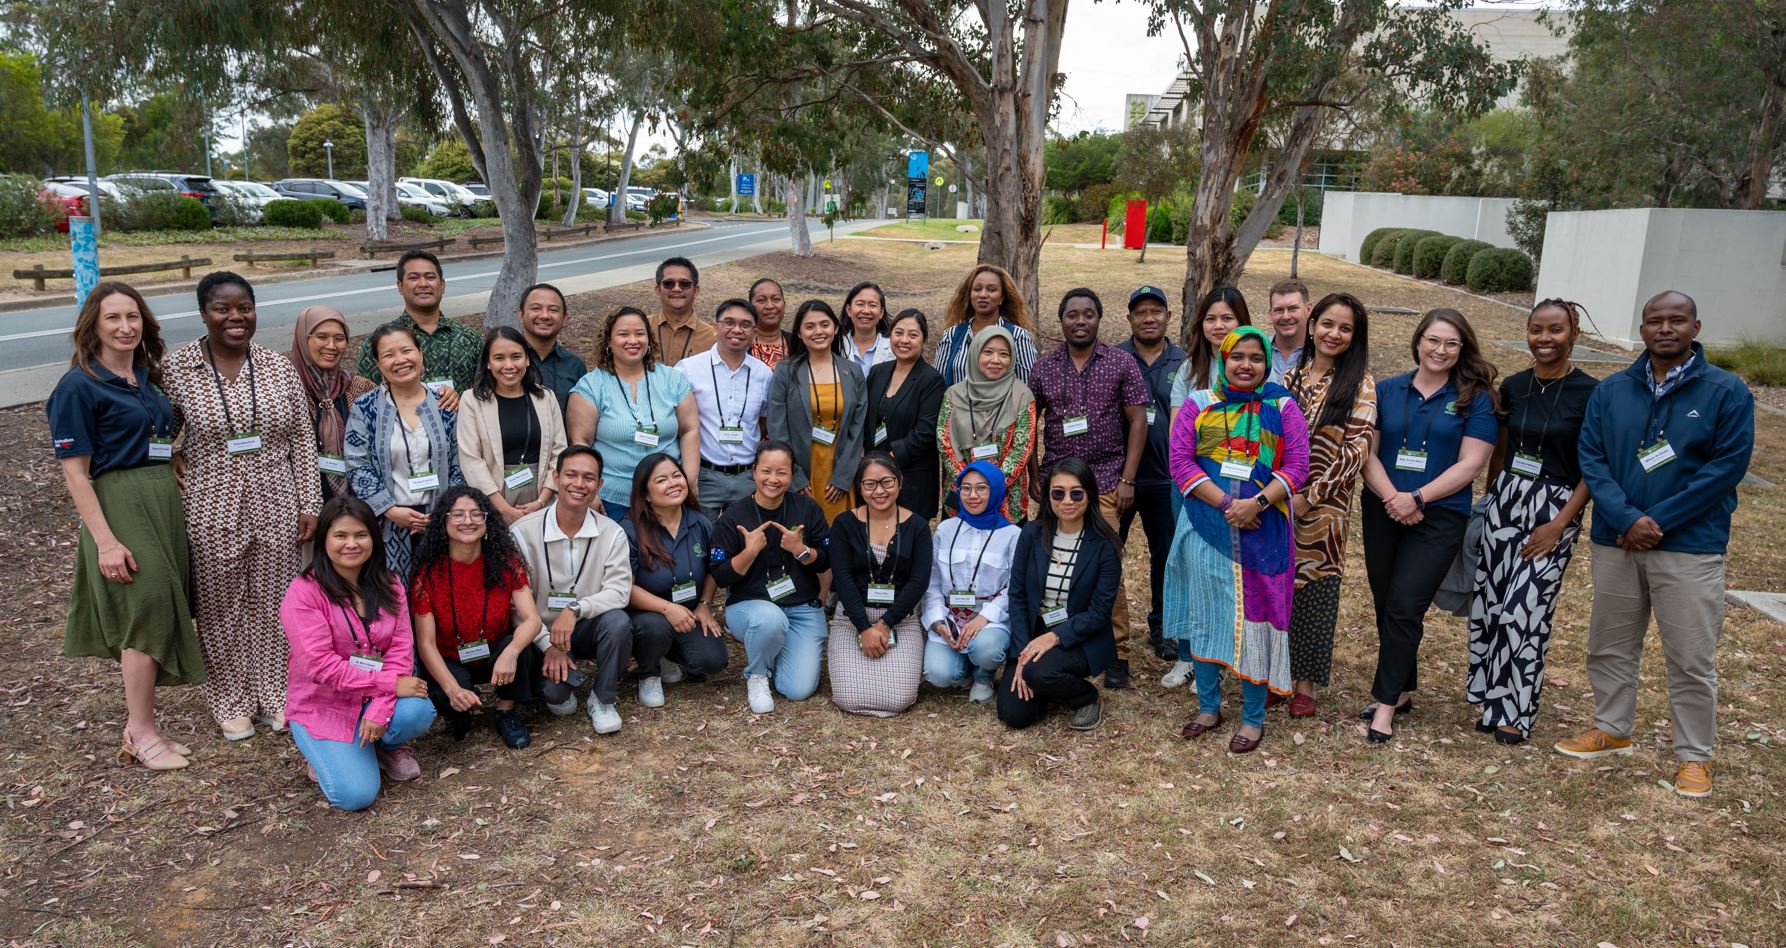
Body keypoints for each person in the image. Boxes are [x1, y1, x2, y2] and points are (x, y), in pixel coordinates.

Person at [1558, 290, 1753, 799]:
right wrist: (1625, 518)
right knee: (1609, 644)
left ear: (1695, 326)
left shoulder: (1726, 391)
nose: (1665, 328)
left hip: (1688, 545)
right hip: (1616, 541)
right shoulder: (1613, 390)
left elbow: (1724, 470)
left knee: (1690, 655)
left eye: (1677, 320)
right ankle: (1612, 729)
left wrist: (1655, 521)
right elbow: (1592, 458)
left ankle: (1693, 757)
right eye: (1655, 321)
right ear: (1642, 329)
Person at [49, 282, 205, 770]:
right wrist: (106, 541)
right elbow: (75, 474)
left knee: (165, 599)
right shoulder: (78, 386)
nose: (125, 327)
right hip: (118, 501)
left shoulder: (144, 376)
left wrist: (172, 454)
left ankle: (145, 725)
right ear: (93, 324)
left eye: (133, 317)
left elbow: (150, 434)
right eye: (113, 318)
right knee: (148, 604)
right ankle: (139, 732)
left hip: (161, 497)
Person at [164, 271, 321, 742]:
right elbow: (157, 425)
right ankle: (231, 698)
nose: (235, 318)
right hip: (211, 502)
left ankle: (275, 694)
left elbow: (301, 438)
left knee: (276, 602)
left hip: (278, 498)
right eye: (222, 309)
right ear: (203, 314)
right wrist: (170, 452)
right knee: (219, 605)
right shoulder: (179, 369)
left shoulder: (276, 367)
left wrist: (309, 501)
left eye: (244, 308)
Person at [1166, 327, 1310, 753]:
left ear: (1267, 363)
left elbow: (1299, 465)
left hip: (1263, 534)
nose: (1246, 365)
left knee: (1254, 622)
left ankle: (1252, 718)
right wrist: (1229, 504)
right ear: (1223, 360)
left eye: (1256, 358)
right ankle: (1208, 708)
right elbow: (1180, 461)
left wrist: (1258, 504)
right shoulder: (1199, 404)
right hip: (1204, 527)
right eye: (1237, 356)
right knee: (1207, 615)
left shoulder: (1281, 406)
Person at [1359, 309, 1498, 743]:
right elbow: (1367, 453)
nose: (1440, 350)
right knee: (1386, 601)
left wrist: (1418, 498)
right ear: (1418, 341)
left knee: (1405, 605)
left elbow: (1472, 463)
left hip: (1440, 515)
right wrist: (1393, 499)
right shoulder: (1385, 389)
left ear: (1462, 350)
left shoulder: (1475, 398)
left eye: (1451, 343)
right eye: (1433, 340)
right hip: (1383, 506)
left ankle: (1385, 706)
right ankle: (1400, 690)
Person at [1466, 299, 1599, 744]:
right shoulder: (1515, 386)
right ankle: (1490, 698)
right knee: (1493, 604)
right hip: (1506, 502)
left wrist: (1561, 523)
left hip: (1555, 508)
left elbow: (1593, 468)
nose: (1545, 339)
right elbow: (1501, 453)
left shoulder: (1591, 392)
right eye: (1537, 329)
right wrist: (1490, 503)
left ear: (1574, 333)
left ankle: (1515, 712)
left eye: (1556, 330)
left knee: (1527, 610)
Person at [281, 496, 435, 810]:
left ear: (373, 539)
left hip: (372, 700)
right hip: (323, 705)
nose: (351, 544)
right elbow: (320, 666)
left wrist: (380, 706)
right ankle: (328, 753)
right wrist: (389, 686)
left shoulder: (390, 584)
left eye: (360, 535)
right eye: (340, 536)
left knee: (418, 711)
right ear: (324, 539)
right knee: (355, 796)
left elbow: (400, 652)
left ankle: (383, 746)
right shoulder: (304, 593)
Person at [1027, 288, 1148, 688]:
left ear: (1099, 318)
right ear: (1060, 322)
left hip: (1106, 482)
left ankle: (1118, 654)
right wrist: (1032, 475)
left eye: (1089, 314)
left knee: (1104, 570)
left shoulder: (1120, 363)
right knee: (1054, 565)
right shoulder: (1044, 368)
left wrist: (1128, 479)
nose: (1080, 321)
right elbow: (1029, 423)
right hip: (1057, 486)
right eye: (1072, 315)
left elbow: (1138, 422)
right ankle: (1054, 640)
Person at [1279, 293, 1377, 718]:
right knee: (1278, 587)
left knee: (1316, 591)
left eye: (1345, 328)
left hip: (1326, 509)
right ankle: (1276, 674)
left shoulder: (1360, 383)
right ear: (1312, 324)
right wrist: (1279, 493)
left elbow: (1357, 449)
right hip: (1280, 502)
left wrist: (1311, 496)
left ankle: (1306, 685)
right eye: (1327, 324)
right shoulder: (1290, 377)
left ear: (1355, 336)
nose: (1334, 334)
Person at [510, 446, 638, 735]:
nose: (579, 484)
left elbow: (620, 591)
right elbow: (516, 605)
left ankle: (602, 699)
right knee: (555, 695)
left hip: (583, 628)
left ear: (599, 485)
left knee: (618, 622)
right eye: (571, 475)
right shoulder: (522, 532)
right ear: (555, 478)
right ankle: (559, 680)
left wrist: (576, 608)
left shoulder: (612, 532)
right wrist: (548, 645)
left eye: (589, 478)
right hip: (538, 633)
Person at [409, 487, 545, 749]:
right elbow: (425, 643)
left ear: (487, 520)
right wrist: (452, 689)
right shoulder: (427, 573)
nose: (467, 521)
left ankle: (506, 710)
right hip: (450, 656)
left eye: (476, 514)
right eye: (457, 514)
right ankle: (460, 704)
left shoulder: (505, 560)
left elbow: (532, 620)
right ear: (443, 521)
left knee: (520, 647)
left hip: (494, 651)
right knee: (453, 708)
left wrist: (511, 652)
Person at [997, 457, 1122, 731]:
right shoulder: (1031, 534)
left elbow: (1099, 614)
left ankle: (1087, 696)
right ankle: (1045, 683)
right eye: (1058, 493)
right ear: (1048, 496)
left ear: (1089, 495)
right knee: (1014, 715)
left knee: (1037, 672)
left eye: (1076, 493)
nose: (1067, 500)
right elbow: (1017, 597)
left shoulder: (1105, 546)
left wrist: (1053, 638)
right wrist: (1021, 654)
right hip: (1033, 633)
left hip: (1079, 637)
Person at [711, 442, 832, 714]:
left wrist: (801, 551)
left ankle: (773, 648)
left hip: (801, 607)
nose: (773, 479)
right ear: (754, 472)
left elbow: (828, 558)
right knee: (769, 619)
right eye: (766, 471)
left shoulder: (807, 509)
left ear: (792, 475)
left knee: (797, 690)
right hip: (750, 607)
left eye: (782, 472)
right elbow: (720, 576)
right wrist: (749, 552)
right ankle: (757, 675)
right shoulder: (734, 516)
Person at [345, 323, 465, 579]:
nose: (400, 360)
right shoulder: (365, 407)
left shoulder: (445, 403)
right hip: (389, 521)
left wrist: (446, 509)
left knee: (438, 597)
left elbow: (459, 460)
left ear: (420, 354)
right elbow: (357, 464)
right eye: (388, 355)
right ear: (378, 364)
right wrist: (389, 509)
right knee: (393, 598)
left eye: (406, 350)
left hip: (441, 520)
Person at [567, 306, 700, 520]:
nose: (633, 340)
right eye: (623, 334)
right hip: (614, 499)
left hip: (669, 496)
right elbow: (581, 442)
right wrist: (588, 492)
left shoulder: (672, 379)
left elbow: (690, 430)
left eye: (640, 334)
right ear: (609, 341)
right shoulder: (592, 386)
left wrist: (689, 480)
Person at [826, 453, 934, 716]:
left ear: (900, 483)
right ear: (860, 488)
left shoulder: (918, 526)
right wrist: (864, 627)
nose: (879, 491)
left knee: (898, 699)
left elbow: (919, 582)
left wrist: (884, 624)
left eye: (886, 482)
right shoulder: (844, 524)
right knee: (848, 697)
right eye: (870, 484)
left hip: (900, 620)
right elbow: (843, 580)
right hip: (852, 618)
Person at [1116, 285, 1187, 662]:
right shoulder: (1113, 358)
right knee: (1109, 552)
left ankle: (1165, 628)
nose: (1148, 318)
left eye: (1156, 311)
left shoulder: (1185, 362)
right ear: (1129, 319)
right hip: (1120, 477)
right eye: (1140, 311)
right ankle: (1109, 627)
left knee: (1167, 557)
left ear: (1168, 317)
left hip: (1167, 478)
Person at [621, 452, 729, 697]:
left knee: (713, 661)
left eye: (676, 475)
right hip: (647, 615)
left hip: (688, 612)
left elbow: (714, 568)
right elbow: (625, 588)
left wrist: (703, 604)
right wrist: (667, 609)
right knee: (654, 626)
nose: (672, 483)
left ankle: (667, 652)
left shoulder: (700, 522)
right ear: (646, 494)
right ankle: (649, 672)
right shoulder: (629, 530)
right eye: (661, 480)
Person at [922, 463, 1020, 703]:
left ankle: (983, 675)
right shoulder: (945, 530)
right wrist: (936, 621)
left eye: (981, 488)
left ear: (996, 490)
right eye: (965, 488)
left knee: (987, 649)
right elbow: (932, 581)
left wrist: (984, 618)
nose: (972, 495)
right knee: (937, 674)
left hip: (990, 618)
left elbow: (1016, 587)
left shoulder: (1012, 535)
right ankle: (962, 672)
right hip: (951, 616)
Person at [766, 299, 867, 524]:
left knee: (839, 538)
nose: (818, 331)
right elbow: (777, 429)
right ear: (800, 334)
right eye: (810, 326)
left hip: (840, 473)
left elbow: (857, 429)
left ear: (836, 328)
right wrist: (794, 475)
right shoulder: (785, 371)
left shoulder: (853, 372)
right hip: (802, 472)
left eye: (824, 324)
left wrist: (843, 477)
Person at [457, 326, 568, 525]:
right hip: (493, 497)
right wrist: (502, 508)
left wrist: (542, 501)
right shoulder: (472, 400)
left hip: (543, 495)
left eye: (516, 356)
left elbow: (559, 451)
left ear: (527, 359)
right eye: (499, 358)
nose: (509, 365)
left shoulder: (545, 398)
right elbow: (471, 460)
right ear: (488, 363)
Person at [678, 298, 773, 520]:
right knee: (700, 541)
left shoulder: (764, 373)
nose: (737, 330)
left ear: (754, 331)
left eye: (745, 324)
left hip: (747, 478)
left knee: (742, 542)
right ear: (715, 327)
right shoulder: (688, 370)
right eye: (729, 322)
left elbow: (764, 420)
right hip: (704, 476)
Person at [354, 251, 480, 408]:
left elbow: (485, 395)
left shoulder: (470, 339)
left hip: (460, 429)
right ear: (400, 286)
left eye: (430, 277)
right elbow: (364, 399)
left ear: (442, 285)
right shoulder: (379, 342)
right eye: (414, 278)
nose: (423, 284)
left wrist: (462, 402)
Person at [937, 326, 1038, 523]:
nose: (995, 360)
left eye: (1003, 354)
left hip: (1006, 503)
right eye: (988, 352)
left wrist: (991, 486)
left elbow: (1022, 448)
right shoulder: (954, 395)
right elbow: (945, 442)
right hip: (961, 500)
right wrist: (969, 487)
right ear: (975, 353)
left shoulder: (1022, 395)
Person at [288, 305, 376, 503]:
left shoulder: (361, 388)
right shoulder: (285, 391)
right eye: (321, 337)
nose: (331, 346)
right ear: (303, 339)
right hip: (303, 507)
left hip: (360, 505)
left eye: (339, 338)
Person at [863, 308, 945, 519]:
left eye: (913, 335)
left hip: (912, 478)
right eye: (898, 333)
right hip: (874, 476)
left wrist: (887, 461)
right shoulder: (878, 371)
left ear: (923, 340)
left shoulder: (931, 380)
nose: (904, 340)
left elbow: (926, 431)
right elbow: (866, 418)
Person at [932, 264, 1039, 386]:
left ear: (1002, 298)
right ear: (969, 295)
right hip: (958, 405)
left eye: (991, 290)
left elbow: (1027, 387)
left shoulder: (1018, 336)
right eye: (977, 289)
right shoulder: (952, 336)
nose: (983, 295)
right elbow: (938, 386)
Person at [1170, 286, 1253, 424]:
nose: (1218, 326)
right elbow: (1176, 430)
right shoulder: (1189, 369)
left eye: (1227, 318)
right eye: (1210, 319)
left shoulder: (1257, 368)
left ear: (1241, 321)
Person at [516, 282, 587, 413]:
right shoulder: (502, 361)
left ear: (564, 318)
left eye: (553, 310)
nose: (544, 315)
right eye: (536, 308)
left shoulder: (575, 366)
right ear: (520, 314)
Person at [650, 256, 715, 367]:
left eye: (684, 284)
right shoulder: (640, 328)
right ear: (658, 290)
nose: (676, 289)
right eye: (668, 283)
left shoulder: (713, 338)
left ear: (695, 290)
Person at [1264, 279, 1311, 384]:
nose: (1286, 316)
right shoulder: (1258, 350)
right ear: (1270, 314)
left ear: (1308, 309)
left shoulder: (1320, 354)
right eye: (1279, 310)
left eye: (1293, 308)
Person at [841, 281, 894, 374]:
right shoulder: (836, 346)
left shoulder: (894, 348)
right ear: (848, 310)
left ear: (881, 312)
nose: (866, 311)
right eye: (860, 304)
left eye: (872, 305)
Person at [748, 277, 794, 369]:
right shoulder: (740, 344)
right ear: (750, 307)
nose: (770, 306)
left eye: (776, 299)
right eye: (761, 300)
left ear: (784, 304)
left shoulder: (798, 344)